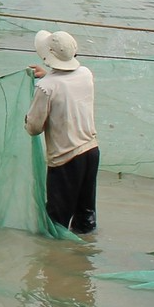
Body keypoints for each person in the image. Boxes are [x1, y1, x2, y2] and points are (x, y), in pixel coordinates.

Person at [26, 30, 99, 234]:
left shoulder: (46, 87)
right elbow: (65, 82)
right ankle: (84, 254)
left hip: (65, 159)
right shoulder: (85, 74)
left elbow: (33, 128)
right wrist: (48, 75)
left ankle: (54, 259)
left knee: (57, 220)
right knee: (85, 215)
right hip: (91, 151)